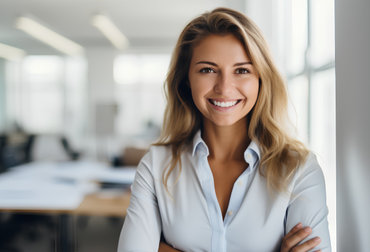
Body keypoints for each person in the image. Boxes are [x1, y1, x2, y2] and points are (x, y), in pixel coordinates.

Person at [118, 7, 330, 252]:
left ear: (261, 78)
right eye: (207, 69)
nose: (224, 87)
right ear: (186, 78)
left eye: (242, 70)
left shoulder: (299, 170)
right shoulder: (156, 166)